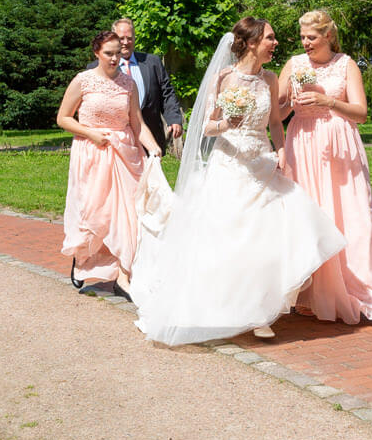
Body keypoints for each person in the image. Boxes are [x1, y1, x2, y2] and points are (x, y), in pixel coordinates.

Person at [129, 18, 346, 345]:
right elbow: (207, 127)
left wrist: (281, 150)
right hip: (230, 166)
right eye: (270, 38)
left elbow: (275, 122)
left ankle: (260, 311)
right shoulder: (224, 78)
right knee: (232, 240)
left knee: (277, 233)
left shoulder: (270, 78)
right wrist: (227, 123)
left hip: (263, 163)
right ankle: (224, 307)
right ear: (252, 42)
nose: (275, 43)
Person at [279, 10, 372, 330]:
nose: (305, 43)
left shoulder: (346, 65)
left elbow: (361, 113)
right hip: (303, 147)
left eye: (311, 37)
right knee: (314, 219)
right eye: (302, 37)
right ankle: (315, 296)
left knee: (358, 221)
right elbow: (277, 111)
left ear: (328, 36)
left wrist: (328, 102)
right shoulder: (294, 65)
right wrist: (288, 102)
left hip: (341, 150)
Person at [57, 30, 163, 293]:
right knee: (97, 213)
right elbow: (63, 118)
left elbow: (137, 123)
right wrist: (91, 133)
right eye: (108, 53)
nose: (114, 58)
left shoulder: (128, 84)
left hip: (125, 154)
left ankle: (124, 275)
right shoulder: (82, 81)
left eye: (118, 53)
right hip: (92, 153)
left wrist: (153, 147)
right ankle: (84, 257)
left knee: (129, 214)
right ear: (97, 53)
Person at [111, 18, 184, 154]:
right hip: (118, 140)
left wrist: (174, 119)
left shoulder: (152, 62)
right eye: (121, 38)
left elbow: (167, 93)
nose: (125, 42)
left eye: (129, 38)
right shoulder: (100, 68)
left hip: (151, 137)